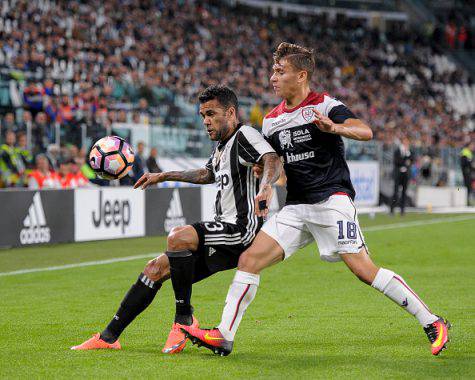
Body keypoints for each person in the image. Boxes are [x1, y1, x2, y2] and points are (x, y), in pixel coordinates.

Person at [182, 42, 450, 357]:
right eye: (273, 71)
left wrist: (334, 127)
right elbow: (275, 164)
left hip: (331, 201)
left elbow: (364, 131)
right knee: (249, 260)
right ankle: (224, 336)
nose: (273, 77)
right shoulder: (271, 120)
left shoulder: (323, 105)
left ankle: (432, 321)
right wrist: (266, 179)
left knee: (364, 270)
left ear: (302, 75)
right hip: (296, 207)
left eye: (280, 71)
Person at [70, 85, 282, 353]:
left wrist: (266, 187)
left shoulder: (245, 135)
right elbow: (206, 175)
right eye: (203, 114)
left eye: (211, 113)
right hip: (224, 231)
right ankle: (109, 337)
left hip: (242, 229)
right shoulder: (221, 147)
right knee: (154, 269)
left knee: (178, 237)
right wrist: (164, 175)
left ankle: (183, 319)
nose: (205, 120)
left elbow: (272, 158)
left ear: (230, 112)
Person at [390, 136, 413, 215]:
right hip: (398, 174)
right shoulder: (398, 151)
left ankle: (402, 210)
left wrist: (406, 157)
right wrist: (405, 161)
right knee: (395, 192)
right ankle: (392, 209)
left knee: (404, 192)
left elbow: (411, 160)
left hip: (405, 174)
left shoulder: (409, 151)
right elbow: (397, 161)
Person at [460, 142, 473, 206]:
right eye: (472, 145)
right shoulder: (465, 152)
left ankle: (467, 201)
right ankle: (466, 201)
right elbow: (464, 163)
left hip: (468, 172)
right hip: (466, 172)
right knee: (467, 187)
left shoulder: (469, 152)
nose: (473, 147)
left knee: (469, 187)